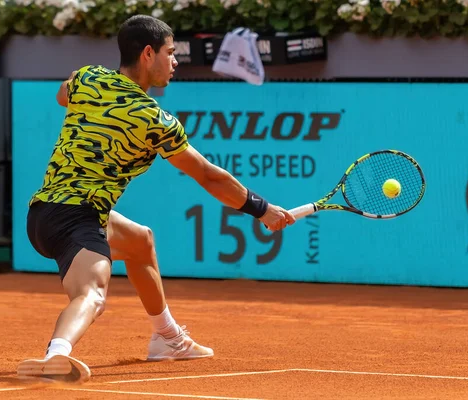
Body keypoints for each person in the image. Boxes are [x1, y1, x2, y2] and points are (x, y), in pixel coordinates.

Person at [16, 14, 296, 383]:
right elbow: (209, 175)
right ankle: (56, 355)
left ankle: (168, 338)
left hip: (44, 211)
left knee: (140, 241)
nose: (175, 61)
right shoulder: (155, 121)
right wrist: (261, 209)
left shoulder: (89, 78)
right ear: (148, 54)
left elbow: (62, 94)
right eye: (170, 52)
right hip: (76, 217)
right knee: (93, 294)